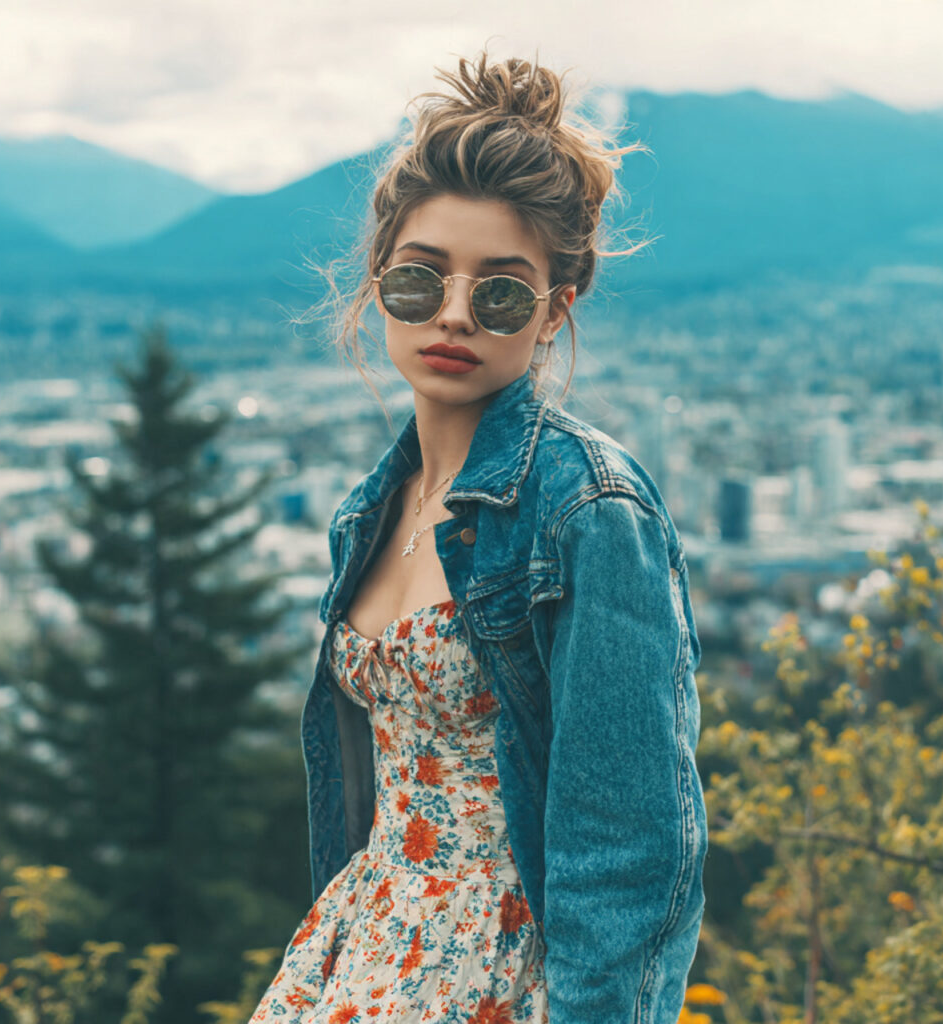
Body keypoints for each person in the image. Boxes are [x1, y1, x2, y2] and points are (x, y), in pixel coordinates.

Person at [249, 52, 706, 1024]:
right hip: (358, 945)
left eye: (500, 291)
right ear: (377, 286)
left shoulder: (588, 512)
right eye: (420, 280)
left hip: (504, 975)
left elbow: (632, 843)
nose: (453, 313)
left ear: (555, 309)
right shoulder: (369, 512)